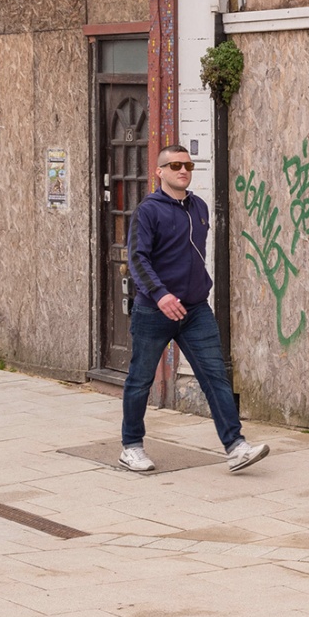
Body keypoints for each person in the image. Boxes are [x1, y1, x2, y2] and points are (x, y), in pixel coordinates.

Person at [119, 144, 269, 475]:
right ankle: (131, 447)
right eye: (174, 166)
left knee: (215, 375)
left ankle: (235, 447)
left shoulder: (198, 207)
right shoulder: (148, 211)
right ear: (159, 172)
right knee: (140, 380)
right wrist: (160, 295)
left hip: (195, 310)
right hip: (155, 310)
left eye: (187, 165)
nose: (183, 170)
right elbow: (137, 258)